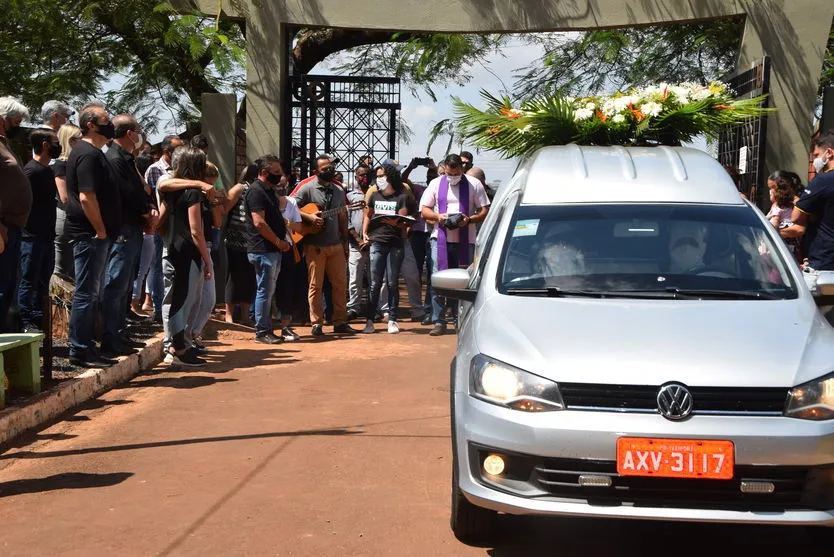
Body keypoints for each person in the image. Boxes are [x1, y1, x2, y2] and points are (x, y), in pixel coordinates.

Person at [65, 104, 121, 368]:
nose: (110, 124)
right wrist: (99, 229)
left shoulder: (93, 152)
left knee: (92, 292)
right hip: (89, 235)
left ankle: (87, 346)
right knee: (87, 293)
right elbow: (87, 197)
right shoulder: (87, 154)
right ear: (90, 124)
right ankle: (81, 349)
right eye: (105, 120)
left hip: (96, 234)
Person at [420, 153, 490, 336]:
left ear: (462, 169)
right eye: (450, 174)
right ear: (445, 170)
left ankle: (460, 320)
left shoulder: (474, 184)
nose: (453, 177)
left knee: (464, 281)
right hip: (440, 238)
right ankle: (439, 321)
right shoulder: (435, 184)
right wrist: (438, 217)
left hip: (466, 239)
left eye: (456, 173)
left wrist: (469, 220)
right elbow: (424, 211)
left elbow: (485, 210)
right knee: (438, 278)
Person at [100, 114, 152, 358]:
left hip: (133, 228)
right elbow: (128, 192)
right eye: (138, 130)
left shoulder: (126, 158)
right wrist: (146, 212)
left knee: (124, 284)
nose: (141, 134)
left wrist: (147, 209)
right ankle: (111, 337)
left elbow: (141, 189)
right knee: (116, 284)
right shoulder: (114, 158)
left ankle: (120, 333)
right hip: (123, 229)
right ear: (130, 133)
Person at [293, 154, 357, 336]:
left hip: (335, 244)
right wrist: (309, 217)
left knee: (340, 284)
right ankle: (316, 323)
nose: (330, 171)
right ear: (316, 172)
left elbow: (342, 216)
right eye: (325, 169)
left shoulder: (338, 191)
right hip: (315, 245)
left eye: (331, 168)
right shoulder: (306, 189)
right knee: (315, 285)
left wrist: (345, 241)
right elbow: (290, 208)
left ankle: (340, 321)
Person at [160, 147, 212, 367]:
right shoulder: (193, 193)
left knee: (178, 300)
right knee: (182, 302)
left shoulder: (172, 191)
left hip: (172, 247)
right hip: (187, 251)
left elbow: (160, 219)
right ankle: (179, 348)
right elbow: (195, 230)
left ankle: (178, 345)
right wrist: (207, 259)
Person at [361, 164, 413, 334]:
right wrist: (364, 233)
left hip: (395, 242)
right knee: (375, 283)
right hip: (377, 241)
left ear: (390, 177)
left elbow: (405, 220)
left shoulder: (401, 197)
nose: (379, 179)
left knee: (392, 282)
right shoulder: (374, 195)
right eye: (377, 176)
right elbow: (368, 215)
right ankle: (370, 320)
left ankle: (392, 319)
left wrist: (396, 222)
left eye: (382, 175)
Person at [18, 129, 60, 333]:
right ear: (45, 145)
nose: (57, 146)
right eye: (54, 142)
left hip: (47, 236)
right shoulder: (31, 171)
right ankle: (26, 322)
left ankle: (40, 322)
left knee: (43, 281)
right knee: (29, 280)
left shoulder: (47, 171)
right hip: (31, 237)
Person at [245, 155, 289, 344]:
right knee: (265, 290)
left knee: (267, 290)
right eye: (276, 173)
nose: (280, 176)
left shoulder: (269, 191)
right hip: (264, 250)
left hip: (271, 250)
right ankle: (262, 331)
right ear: (264, 172)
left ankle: (264, 328)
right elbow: (259, 223)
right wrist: (278, 242)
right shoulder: (256, 192)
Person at [144, 135, 184, 320]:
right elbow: (153, 200)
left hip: (177, 226)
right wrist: (157, 224)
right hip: (160, 226)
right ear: (167, 152)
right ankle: (159, 309)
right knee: (157, 267)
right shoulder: (155, 170)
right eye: (178, 149)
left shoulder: (182, 170)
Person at [782, 133, 834, 269]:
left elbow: (795, 217)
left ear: (829, 153)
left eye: (816, 155)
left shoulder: (822, 181)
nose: (815, 160)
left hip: (825, 260)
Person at [221, 164, 258, 325]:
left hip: (252, 242)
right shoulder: (239, 188)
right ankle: (229, 313)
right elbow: (224, 209)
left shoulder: (258, 190)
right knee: (234, 277)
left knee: (249, 278)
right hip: (236, 240)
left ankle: (245, 315)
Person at [275, 172, 303, 341]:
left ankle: (285, 325)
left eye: (284, 185)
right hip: (269, 249)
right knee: (266, 288)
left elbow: (298, 227)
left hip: (287, 249)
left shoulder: (291, 202)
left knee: (286, 287)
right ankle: (262, 326)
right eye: (278, 185)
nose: (281, 188)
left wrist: (287, 223)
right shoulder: (266, 200)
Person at [53, 124, 82, 282]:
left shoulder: (76, 162)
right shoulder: (61, 164)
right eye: (80, 139)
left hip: (75, 215)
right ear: (70, 141)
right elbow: (64, 197)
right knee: (61, 269)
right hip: (66, 215)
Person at [346, 164, 371, 320]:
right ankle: (353, 307)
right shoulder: (349, 197)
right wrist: (357, 239)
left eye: (367, 175)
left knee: (375, 279)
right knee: (354, 278)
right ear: (356, 178)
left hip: (374, 243)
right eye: (361, 175)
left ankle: (375, 307)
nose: (364, 178)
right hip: (356, 244)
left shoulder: (377, 193)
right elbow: (345, 221)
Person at [766, 176, 800, 262]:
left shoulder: (777, 207)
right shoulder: (792, 205)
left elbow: (775, 223)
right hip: (793, 239)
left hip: (782, 238)